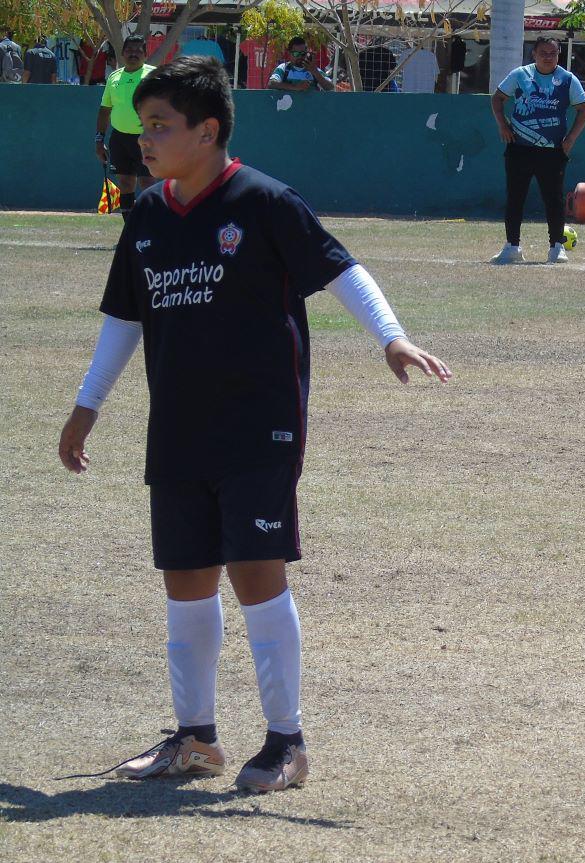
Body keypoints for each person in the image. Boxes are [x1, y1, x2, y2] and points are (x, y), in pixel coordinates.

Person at [57, 56, 451, 794]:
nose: (146, 140)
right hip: (177, 426)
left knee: (254, 573)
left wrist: (390, 336)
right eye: (143, 126)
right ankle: (196, 738)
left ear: (206, 132)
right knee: (185, 578)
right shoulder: (145, 215)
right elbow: (122, 318)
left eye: (160, 126)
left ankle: (286, 743)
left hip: (258, 425)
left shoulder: (264, 201)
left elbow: (341, 270)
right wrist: (88, 405)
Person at [490, 36, 585, 264]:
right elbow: (497, 99)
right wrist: (503, 125)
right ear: (534, 54)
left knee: (553, 199)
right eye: (543, 52)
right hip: (519, 148)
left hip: (553, 151)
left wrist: (571, 138)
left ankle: (556, 247)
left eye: (553, 53)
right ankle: (512, 246)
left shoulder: (567, 79)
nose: (548, 57)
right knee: (515, 198)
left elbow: (584, 110)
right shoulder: (520, 75)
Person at [95, 35, 155, 222]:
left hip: (147, 139)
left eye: (138, 50)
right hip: (119, 139)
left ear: (145, 54)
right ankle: (129, 230)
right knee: (126, 183)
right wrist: (99, 140)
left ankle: (151, 228)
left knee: (147, 183)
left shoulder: (154, 76)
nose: (133, 53)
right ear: (122, 53)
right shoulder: (114, 77)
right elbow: (105, 110)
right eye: (129, 50)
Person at [268, 36, 333, 92]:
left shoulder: (313, 69)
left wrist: (315, 72)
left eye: (303, 54)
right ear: (289, 53)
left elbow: (330, 87)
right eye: (296, 54)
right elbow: (271, 83)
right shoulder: (284, 68)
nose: (300, 57)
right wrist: (296, 87)